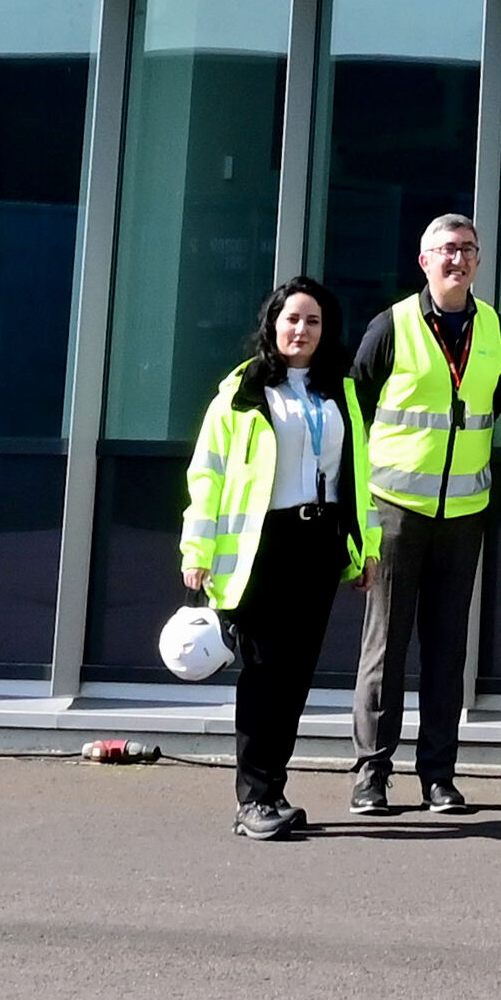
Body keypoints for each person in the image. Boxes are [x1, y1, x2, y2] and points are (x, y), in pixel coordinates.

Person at [178, 277, 372, 842]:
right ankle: (254, 798)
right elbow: (208, 473)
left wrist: (365, 550)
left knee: (294, 678)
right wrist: (198, 548)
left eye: (312, 322)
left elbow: (359, 475)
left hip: (319, 543)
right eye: (291, 319)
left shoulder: (342, 391)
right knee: (263, 675)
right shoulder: (240, 391)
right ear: (272, 324)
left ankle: (274, 790)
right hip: (263, 547)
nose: (301, 330)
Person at [343, 211, 501, 817]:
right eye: (446, 250)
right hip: (395, 510)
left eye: (467, 249)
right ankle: (371, 774)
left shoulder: (494, 327)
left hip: (464, 512)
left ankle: (439, 775)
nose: (458, 259)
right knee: (385, 644)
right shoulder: (390, 326)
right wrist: (356, 511)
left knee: (447, 649)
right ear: (424, 261)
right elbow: (353, 416)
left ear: (478, 261)